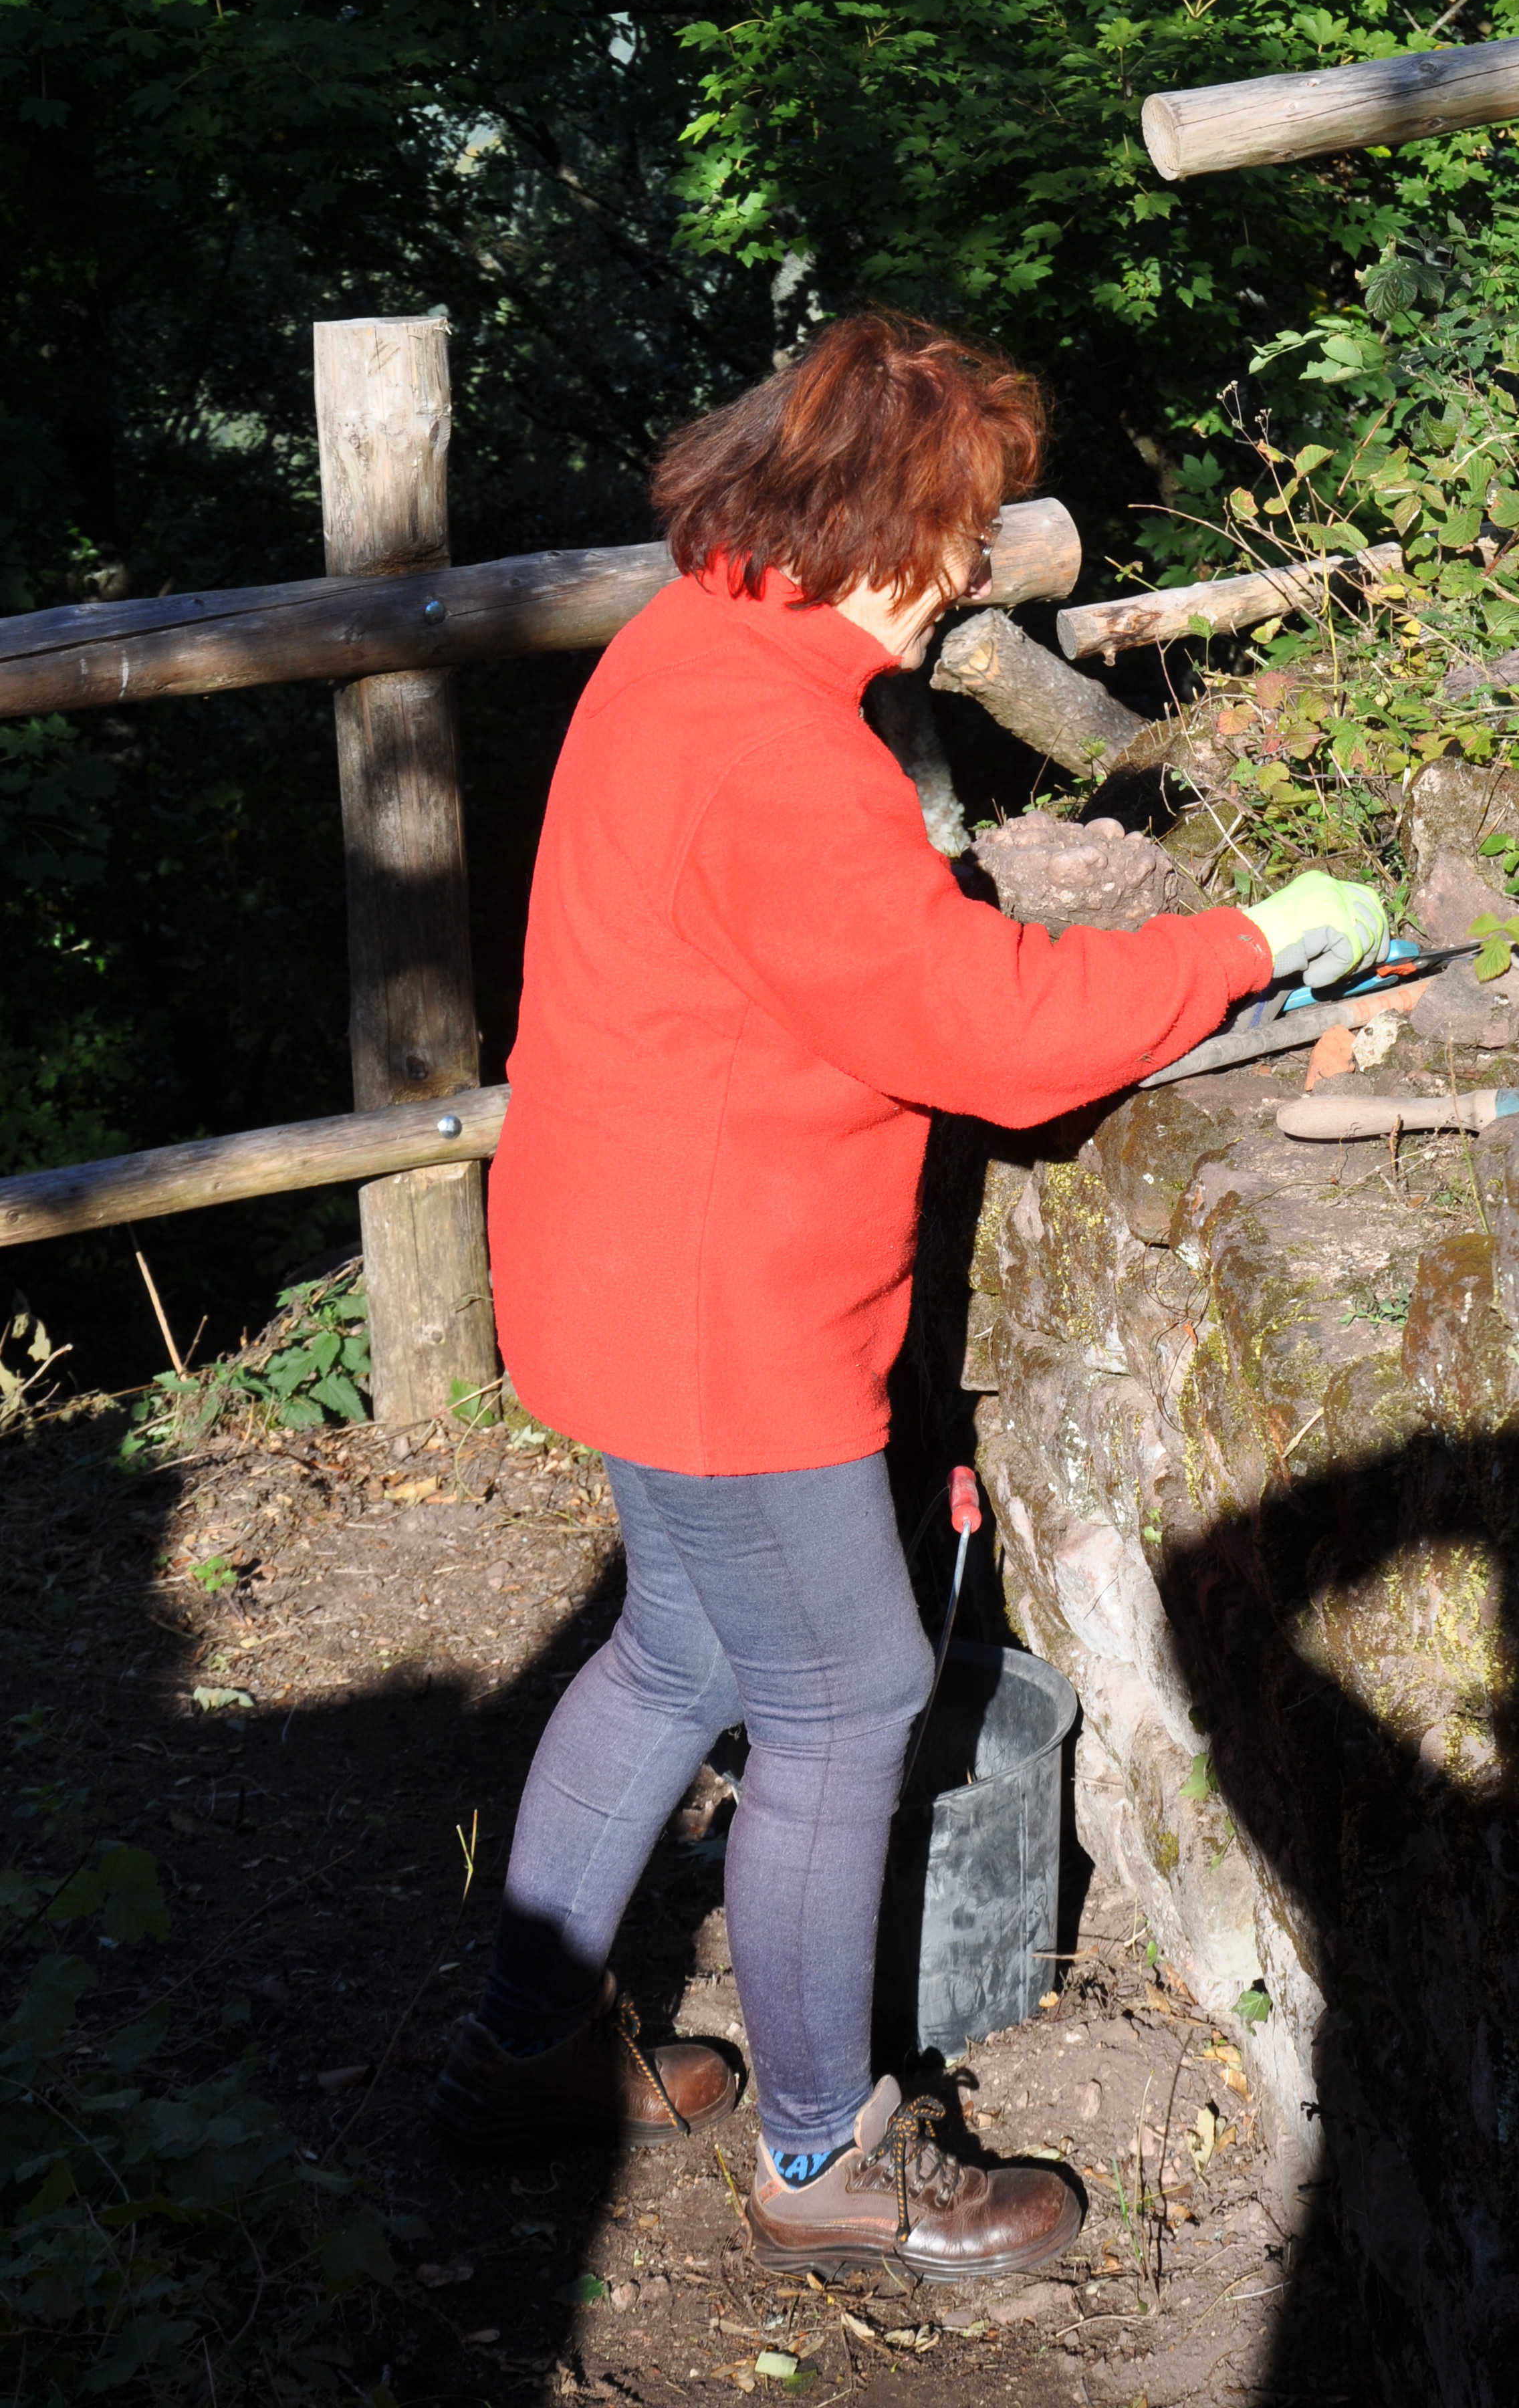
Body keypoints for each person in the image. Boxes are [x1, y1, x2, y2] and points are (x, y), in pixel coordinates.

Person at [431, 313, 1384, 2282]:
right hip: (724, 1310)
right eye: (958, 528)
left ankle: (521, 2055)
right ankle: (825, 2159)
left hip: (624, 1257)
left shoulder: (686, 647)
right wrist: (1244, 939)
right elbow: (989, 1033)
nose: (965, 574)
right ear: (876, 527)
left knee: (678, 1659)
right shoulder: (780, 749)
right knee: (847, 1697)